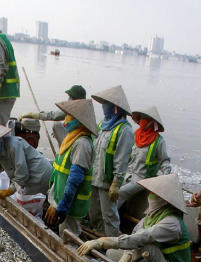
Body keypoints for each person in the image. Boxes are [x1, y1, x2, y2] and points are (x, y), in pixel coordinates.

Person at [77, 174, 191, 262]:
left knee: (147, 249)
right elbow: (134, 237)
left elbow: (141, 238)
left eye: (155, 195)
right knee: (111, 252)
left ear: (165, 201)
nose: (150, 197)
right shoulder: (152, 216)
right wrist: (124, 259)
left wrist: (102, 242)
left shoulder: (172, 224)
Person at [44, 98, 97, 238]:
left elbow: (74, 179)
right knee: (62, 233)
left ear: (80, 121)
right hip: (61, 198)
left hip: (72, 204)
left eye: (70, 117)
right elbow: (60, 173)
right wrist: (54, 200)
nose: (66, 121)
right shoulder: (71, 139)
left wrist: (62, 206)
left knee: (69, 237)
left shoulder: (82, 144)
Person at [0, 121, 53, 208]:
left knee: (51, 200)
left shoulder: (14, 145)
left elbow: (22, 173)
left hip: (42, 175)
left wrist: (9, 191)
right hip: (33, 182)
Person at [88, 85, 133, 237]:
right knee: (94, 212)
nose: (103, 107)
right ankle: (98, 237)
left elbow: (122, 158)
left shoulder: (124, 129)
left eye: (106, 104)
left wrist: (116, 182)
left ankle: (112, 244)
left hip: (107, 181)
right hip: (94, 177)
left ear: (115, 108)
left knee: (109, 215)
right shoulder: (103, 124)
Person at [116, 106, 171, 215]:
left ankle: (110, 219)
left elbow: (165, 161)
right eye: (141, 119)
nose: (141, 121)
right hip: (127, 173)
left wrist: (165, 179)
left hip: (143, 178)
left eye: (144, 119)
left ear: (151, 122)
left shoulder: (159, 141)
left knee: (120, 193)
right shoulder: (136, 135)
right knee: (109, 187)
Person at [20, 84, 86, 146]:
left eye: (70, 97)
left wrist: (32, 115)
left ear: (75, 99)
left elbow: (53, 116)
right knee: (58, 127)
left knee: (56, 125)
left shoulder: (74, 109)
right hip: (75, 136)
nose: (68, 99)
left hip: (76, 139)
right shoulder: (83, 110)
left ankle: (64, 152)